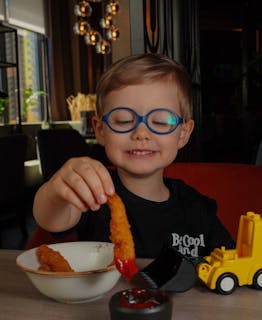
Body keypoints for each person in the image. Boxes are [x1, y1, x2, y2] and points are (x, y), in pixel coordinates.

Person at [33, 53, 235, 258]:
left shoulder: (196, 208)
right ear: (100, 130)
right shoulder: (93, 193)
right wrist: (57, 190)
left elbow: (230, 259)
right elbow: (50, 219)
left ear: (183, 134)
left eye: (160, 122)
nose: (141, 133)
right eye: (123, 120)